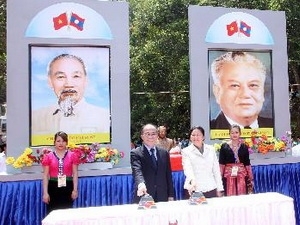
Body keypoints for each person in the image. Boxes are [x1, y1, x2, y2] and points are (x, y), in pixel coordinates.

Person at [32, 53, 110, 135]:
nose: (69, 84)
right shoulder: (34, 118)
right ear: (50, 82)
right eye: (61, 77)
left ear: (86, 81)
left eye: (76, 76)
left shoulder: (105, 118)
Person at [210, 51, 273, 129]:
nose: (245, 94)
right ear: (217, 92)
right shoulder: (207, 130)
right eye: (235, 85)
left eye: (253, 85)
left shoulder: (274, 126)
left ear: (262, 91)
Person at [130, 123, 174, 203]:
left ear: (157, 136)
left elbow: (168, 175)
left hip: (162, 196)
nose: (150, 137)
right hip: (144, 194)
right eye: (147, 134)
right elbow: (137, 171)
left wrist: (171, 195)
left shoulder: (164, 153)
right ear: (142, 136)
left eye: (153, 134)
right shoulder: (135, 153)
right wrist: (141, 184)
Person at [42, 131, 79, 215]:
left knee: (66, 213)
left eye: (63, 141)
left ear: (66, 142)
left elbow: (75, 173)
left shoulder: (72, 155)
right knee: (53, 213)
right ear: (54, 142)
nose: (61, 143)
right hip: (53, 187)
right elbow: (45, 175)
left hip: (68, 187)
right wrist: (45, 193)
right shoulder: (48, 156)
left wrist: (75, 190)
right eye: (58, 141)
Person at [181, 126, 224, 198]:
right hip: (194, 189)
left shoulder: (211, 149)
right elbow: (188, 168)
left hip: (211, 188)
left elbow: (216, 170)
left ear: (203, 137)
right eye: (193, 135)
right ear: (190, 137)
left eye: (198, 135)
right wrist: (192, 181)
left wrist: (220, 188)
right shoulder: (186, 151)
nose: (195, 137)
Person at [219, 124, 254, 196]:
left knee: (242, 196)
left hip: (241, 175)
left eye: (236, 132)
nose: (234, 134)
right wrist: (219, 179)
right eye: (232, 133)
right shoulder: (224, 146)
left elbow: (247, 163)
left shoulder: (244, 146)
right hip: (228, 175)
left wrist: (250, 178)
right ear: (229, 134)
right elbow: (221, 164)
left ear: (240, 134)